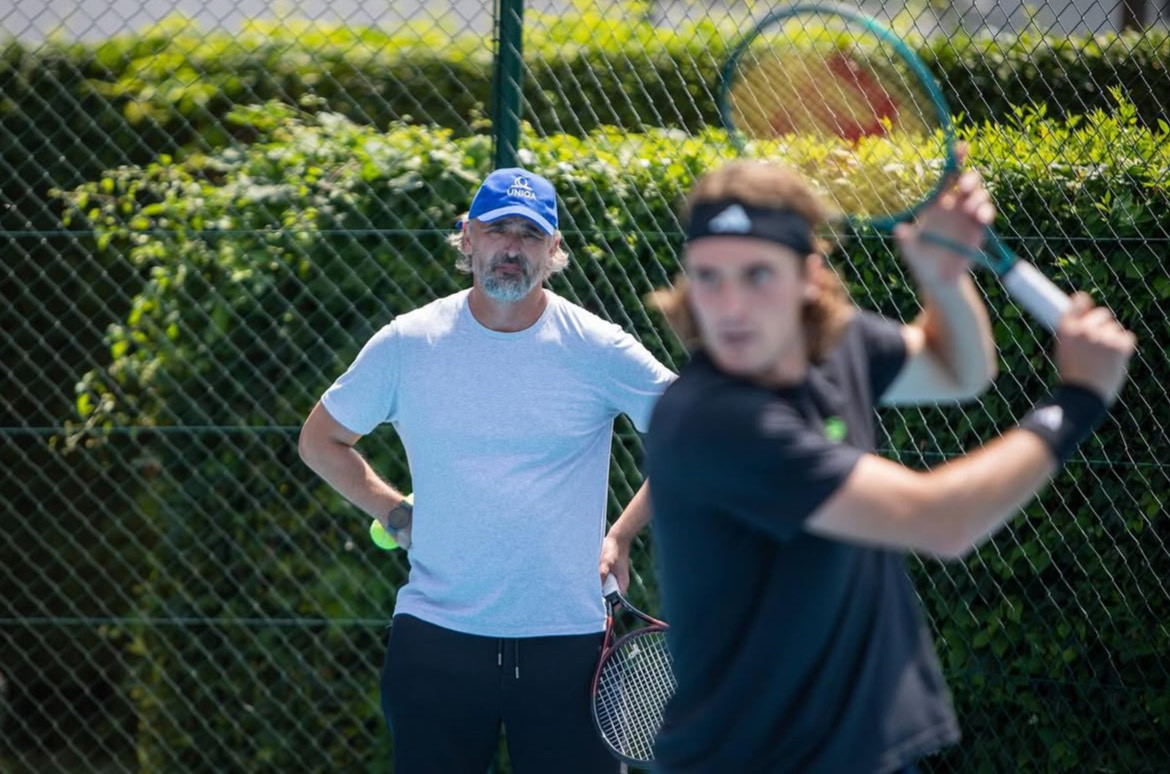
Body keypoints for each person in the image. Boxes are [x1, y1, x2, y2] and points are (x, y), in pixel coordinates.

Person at [643, 158, 1135, 773]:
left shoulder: (839, 344)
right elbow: (939, 521)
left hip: (858, 753)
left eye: (757, 274)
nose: (730, 305)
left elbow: (958, 369)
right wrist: (1078, 401)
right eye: (709, 278)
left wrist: (944, 278)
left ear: (808, 277)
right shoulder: (710, 419)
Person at [297, 167, 675, 773]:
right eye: (497, 229)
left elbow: (699, 435)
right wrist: (394, 512)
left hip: (570, 644)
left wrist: (621, 535)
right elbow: (321, 441)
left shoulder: (599, 348)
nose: (511, 247)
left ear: (554, 251)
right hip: (436, 639)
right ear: (467, 238)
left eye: (530, 234)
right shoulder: (407, 343)